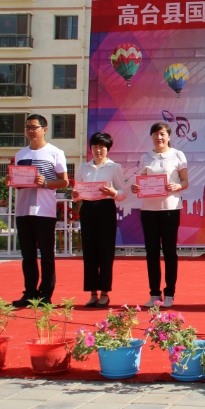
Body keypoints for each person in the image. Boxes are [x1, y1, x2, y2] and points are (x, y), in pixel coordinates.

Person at [12, 114, 69, 307]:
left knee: (46, 254)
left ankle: (45, 294)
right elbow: (18, 179)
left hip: (44, 210)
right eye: (27, 127)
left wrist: (45, 182)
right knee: (27, 255)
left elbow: (64, 181)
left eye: (34, 127)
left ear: (44, 129)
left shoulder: (55, 152)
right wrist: (11, 180)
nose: (30, 130)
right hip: (22, 210)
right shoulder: (20, 154)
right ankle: (29, 293)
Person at [130, 123, 188, 308]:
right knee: (152, 253)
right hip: (149, 211)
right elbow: (142, 181)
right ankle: (154, 294)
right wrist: (136, 187)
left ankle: (170, 293)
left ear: (169, 136)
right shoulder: (146, 157)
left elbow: (185, 181)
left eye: (162, 134)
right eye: (155, 134)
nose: (159, 138)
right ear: (151, 137)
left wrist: (177, 186)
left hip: (170, 209)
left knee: (170, 252)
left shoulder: (178, 155)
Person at [72, 132, 127, 309]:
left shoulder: (114, 167)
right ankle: (92, 293)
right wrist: (74, 194)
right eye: (95, 147)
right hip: (87, 209)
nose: (98, 150)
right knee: (89, 252)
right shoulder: (83, 167)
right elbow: (77, 193)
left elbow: (123, 193)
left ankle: (104, 293)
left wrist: (113, 193)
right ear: (91, 148)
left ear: (108, 148)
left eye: (102, 147)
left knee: (105, 252)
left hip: (105, 209)